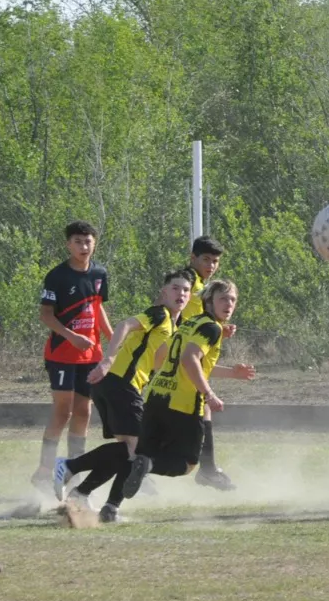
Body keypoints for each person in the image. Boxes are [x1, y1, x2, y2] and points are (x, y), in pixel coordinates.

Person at [53, 270, 193, 523]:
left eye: (185, 290)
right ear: (163, 292)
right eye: (175, 288)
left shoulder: (174, 326)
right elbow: (124, 325)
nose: (180, 294)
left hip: (117, 385)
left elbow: (161, 361)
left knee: (127, 453)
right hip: (120, 383)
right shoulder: (159, 314)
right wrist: (107, 360)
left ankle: (85, 497)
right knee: (138, 451)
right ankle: (72, 469)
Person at [121, 280, 256, 498]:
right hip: (183, 404)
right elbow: (189, 359)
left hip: (156, 396)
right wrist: (209, 394)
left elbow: (172, 360)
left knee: (142, 456)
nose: (229, 304)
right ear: (209, 301)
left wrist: (232, 373)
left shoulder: (190, 323)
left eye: (232, 299)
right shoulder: (211, 328)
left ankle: (106, 504)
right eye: (223, 298)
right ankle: (149, 467)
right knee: (186, 464)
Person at [32, 221, 112, 493]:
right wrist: (71, 336)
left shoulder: (100, 272)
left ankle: (74, 468)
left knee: (83, 411)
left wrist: (112, 338)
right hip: (62, 354)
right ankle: (44, 469)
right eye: (78, 241)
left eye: (88, 241)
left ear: (94, 243)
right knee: (63, 411)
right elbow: (46, 315)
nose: (83, 246)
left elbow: (98, 308)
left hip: (90, 355)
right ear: (68, 245)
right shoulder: (57, 276)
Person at [181, 236, 238, 491]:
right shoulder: (187, 280)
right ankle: (139, 463)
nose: (211, 265)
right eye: (206, 259)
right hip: (175, 353)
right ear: (192, 258)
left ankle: (207, 468)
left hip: (186, 351)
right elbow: (170, 304)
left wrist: (218, 329)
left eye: (215, 261)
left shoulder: (202, 285)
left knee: (201, 409)